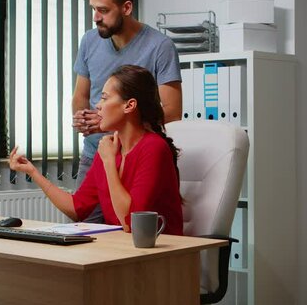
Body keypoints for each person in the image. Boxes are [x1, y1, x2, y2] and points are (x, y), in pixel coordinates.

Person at [10, 66, 183, 235]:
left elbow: (130, 223)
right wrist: (33, 172)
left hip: (161, 254)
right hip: (122, 249)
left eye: (105, 98)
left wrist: (109, 162)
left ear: (129, 105)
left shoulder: (153, 148)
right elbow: (77, 208)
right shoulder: (109, 148)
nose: (98, 106)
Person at [73, 0, 182, 221]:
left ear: (127, 8)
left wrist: (123, 122)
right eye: (93, 9)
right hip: (94, 156)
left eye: (103, 10)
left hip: (135, 158)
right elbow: (80, 96)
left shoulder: (159, 47)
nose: (95, 17)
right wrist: (81, 119)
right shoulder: (89, 41)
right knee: (84, 237)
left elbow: (173, 111)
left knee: (128, 230)